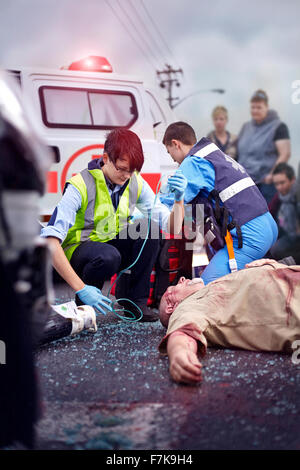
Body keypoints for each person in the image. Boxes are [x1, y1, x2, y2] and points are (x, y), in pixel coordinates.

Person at [41, 128, 187, 322]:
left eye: (132, 171)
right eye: (121, 169)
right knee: (108, 256)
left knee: (150, 229)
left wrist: (179, 201)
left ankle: (136, 303)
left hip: (108, 245)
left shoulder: (135, 182)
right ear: (106, 158)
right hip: (77, 250)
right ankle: (83, 307)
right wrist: (81, 288)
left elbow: (172, 228)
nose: (126, 176)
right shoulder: (80, 185)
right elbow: (51, 243)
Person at [160, 121, 278, 285]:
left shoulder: (193, 163)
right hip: (267, 225)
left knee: (205, 289)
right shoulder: (216, 155)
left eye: (169, 152)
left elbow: (164, 204)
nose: (172, 159)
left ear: (175, 144)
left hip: (250, 236)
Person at [158, 258, 300, 384]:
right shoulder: (189, 306)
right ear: (171, 306)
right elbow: (182, 331)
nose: (182, 279)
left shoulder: (212, 287)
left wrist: (270, 263)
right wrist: (179, 353)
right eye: (173, 287)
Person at [237, 89, 291, 203]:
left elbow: (285, 154)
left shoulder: (278, 127)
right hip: (245, 183)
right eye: (253, 107)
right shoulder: (246, 127)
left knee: (266, 218)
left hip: (265, 185)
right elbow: (237, 151)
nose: (255, 110)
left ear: (267, 107)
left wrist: (271, 175)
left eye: (259, 107)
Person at [269, 163, 300, 263]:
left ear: (293, 180)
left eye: (282, 183)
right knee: (274, 249)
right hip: (290, 234)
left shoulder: (297, 194)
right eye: (276, 184)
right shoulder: (280, 195)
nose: (279, 187)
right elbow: (269, 212)